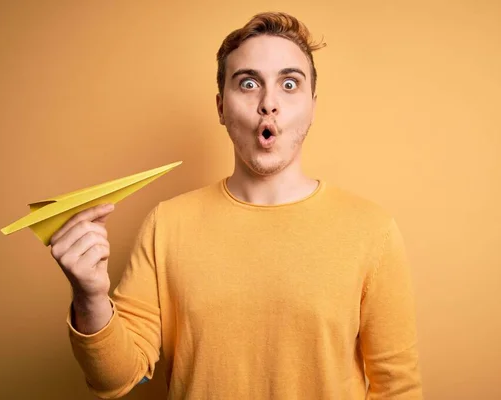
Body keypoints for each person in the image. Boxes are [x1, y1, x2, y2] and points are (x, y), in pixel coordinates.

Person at [49, 11, 423, 399]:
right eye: (248, 84)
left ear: (312, 106)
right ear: (220, 107)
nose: (269, 103)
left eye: (289, 84)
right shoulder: (167, 225)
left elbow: (398, 388)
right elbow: (117, 378)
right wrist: (90, 297)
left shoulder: (371, 231)